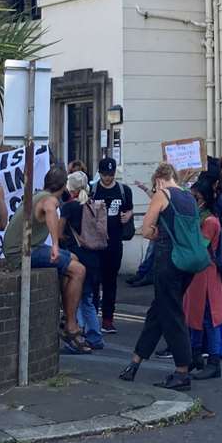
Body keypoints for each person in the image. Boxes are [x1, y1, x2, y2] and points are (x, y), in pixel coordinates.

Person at [120, 162, 200, 390]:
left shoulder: (162, 195)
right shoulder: (189, 197)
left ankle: (182, 372)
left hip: (168, 261)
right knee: (158, 311)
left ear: (159, 181)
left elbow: (145, 229)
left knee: (172, 314)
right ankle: (135, 362)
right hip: (189, 262)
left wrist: (159, 235)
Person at [2, 167, 91, 354]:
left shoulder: (39, 194)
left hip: (25, 248)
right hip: (22, 252)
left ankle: (64, 311)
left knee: (72, 259)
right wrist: (56, 245)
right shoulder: (49, 199)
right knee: (79, 270)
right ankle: (71, 325)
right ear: (63, 186)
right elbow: (50, 209)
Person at [185, 175, 222, 380]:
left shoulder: (209, 221)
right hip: (197, 272)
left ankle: (214, 361)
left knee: (211, 318)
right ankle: (195, 355)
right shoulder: (202, 217)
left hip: (207, 272)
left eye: (193, 197)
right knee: (194, 315)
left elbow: (200, 246)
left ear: (201, 198)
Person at [60, 170, 105, 350]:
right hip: (94, 255)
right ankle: (95, 335)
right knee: (88, 298)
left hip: (77, 255)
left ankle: (75, 338)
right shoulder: (93, 204)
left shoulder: (69, 207)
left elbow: (59, 231)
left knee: (75, 299)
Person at [92, 158, 136, 333]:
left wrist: (128, 215)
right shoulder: (93, 189)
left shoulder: (124, 191)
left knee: (111, 282)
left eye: (111, 175)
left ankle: (108, 319)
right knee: (94, 281)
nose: (108, 178)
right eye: (105, 174)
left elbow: (129, 208)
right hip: (95, 243)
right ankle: (92, 317)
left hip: (115, 242)